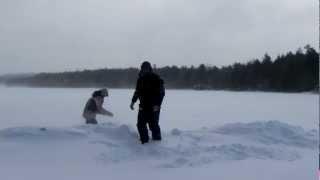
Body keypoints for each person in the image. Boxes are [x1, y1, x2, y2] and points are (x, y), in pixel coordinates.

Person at [130, 61, 165, 144]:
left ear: (150, 69)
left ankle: (157, 142)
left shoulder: (156, 78)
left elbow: (161, 93)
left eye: (147, 68)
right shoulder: (140, 79)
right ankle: (144, 141)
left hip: (154, 107)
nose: (145, 70)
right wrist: (133, 101)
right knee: (140, 124)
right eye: (143, 68)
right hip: (143, 106)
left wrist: (157, 105)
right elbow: (137, 91)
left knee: (153, 125)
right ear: (141, 69)